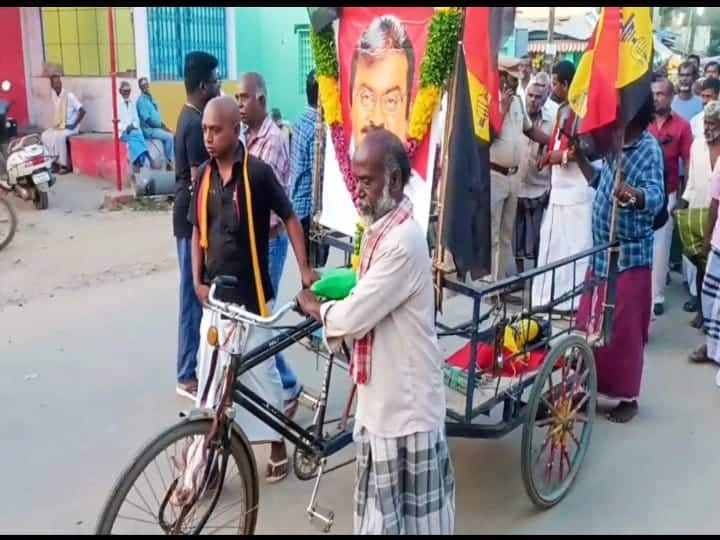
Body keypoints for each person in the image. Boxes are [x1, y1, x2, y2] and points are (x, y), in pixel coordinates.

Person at [296, 129, 455, 535]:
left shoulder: (402, 239)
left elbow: (356, 314)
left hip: (405, 408)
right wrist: (329, 286)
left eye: (367, 181)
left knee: (412, 523)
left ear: (395, 181)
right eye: (356, 180)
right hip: (384, 401)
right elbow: (364, 283)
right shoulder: (382, 229)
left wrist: (318, 307)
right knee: (382, 518)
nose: (358, 191)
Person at [189, 96, 316, 483]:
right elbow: (198, 230)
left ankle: (276, 444)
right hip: (215, 298)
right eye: (205, 130)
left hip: (253, 298)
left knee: (263, 376)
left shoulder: (257, 174)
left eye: (216, 130)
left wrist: (305, 271)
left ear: (235, 131)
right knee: (210, 379)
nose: (208, 138)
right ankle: (204, 459)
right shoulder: (205, 178)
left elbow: (291, 218)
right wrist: (196, 281)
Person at [574, 93, 665, 423]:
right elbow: (601, 183)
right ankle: (585, 387)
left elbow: (655, 196)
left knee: (623, 331)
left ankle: (627, 397)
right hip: (600, 255)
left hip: (629, 256)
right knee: (589, 324)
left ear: (634, 118)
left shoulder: (649, 149)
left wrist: (634, 194)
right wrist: (580, 160)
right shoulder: (613, 146)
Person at [235, 72, 303, 411]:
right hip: (254, 241)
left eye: (244, 98)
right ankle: (282, 381)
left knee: (262, 318)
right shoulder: (247, 137)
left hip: (271, 241)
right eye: (236, 98)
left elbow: (256, 199)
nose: (240, 105)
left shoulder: (272, 141)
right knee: (257, 317)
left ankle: (287, 384)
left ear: (260, 100)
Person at [173, 51, 221, 400]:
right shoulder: (193, 125)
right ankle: (188, 371)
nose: (220, 85)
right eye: (216, 80)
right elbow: (198, 181)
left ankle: (199, 367)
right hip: (191, 222)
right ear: (203, 85)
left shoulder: (190, 117)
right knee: (194, 293)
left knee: (197, 293)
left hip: (188, 220)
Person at [532, 60, 595, 312]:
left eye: (556, 83)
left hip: (577, 192)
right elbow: (556, 143)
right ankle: (546, 299)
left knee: (576, 248)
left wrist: (559, 157)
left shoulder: (585, 113)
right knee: (552, 248)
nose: (552, 88)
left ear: (568, 85)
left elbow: (586, 150)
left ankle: (574, 303)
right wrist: (549, 155)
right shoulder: (563, 110)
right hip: (558, 191)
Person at [489, 57, 549, 282]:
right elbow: (488, 136)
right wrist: (502, 107)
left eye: (516, 81)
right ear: (501, 77)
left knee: (505, 236)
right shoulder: (489, 99)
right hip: (493, 175)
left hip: (513, 177)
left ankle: (500, 285)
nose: (514, 85)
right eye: (511, 80)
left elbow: (530, 130)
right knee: (492, 236)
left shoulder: (518, 102)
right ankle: (488, 291)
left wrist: (553, 141)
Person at [649, 77, 692, 317]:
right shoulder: (642, 122)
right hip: (641, 192)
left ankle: (656, 295)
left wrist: (684, 197)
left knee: (661, 247)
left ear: (671, 97)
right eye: (654, 93)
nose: (656, 98)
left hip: (668, 192)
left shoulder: (682, 126)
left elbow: (688, 162)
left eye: (661, 94)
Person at [679, 101, 720, 331]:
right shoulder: (697, 146)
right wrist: (682, 206)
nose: (708, 128)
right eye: (706, 123)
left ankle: (713, 318)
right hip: (698, 210)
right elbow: (692, 181)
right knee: (700, 263)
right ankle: (703, 313)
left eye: (713, 124)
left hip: (718, 218)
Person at [513, 73, 554, 273]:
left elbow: (553, 147)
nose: (533, 100)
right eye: (530, 96)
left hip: (539, 187)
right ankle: (519, 278)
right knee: (516, 236)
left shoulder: (551, 121)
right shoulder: (515, 116)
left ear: (545, 98)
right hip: (517, 183)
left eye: (538, 97)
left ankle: (537, 277)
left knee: (536, 236)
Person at [290, 70, 328, 266]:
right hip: (310, 214)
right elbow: (318, 178)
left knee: (307, 270)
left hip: (297, 207)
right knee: (315, 273)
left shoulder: (300, 121)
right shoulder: (317, 129)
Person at [41, 74, 85, 175]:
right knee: (45, 135)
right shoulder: (54, 96)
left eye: (59, 82)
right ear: (52, 86)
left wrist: (74, 125)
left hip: (71, 127)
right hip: (61, 126)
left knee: (60, 137)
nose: (57, 85)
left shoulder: (69, 96)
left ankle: (64, 165)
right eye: (55, 83)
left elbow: (82, 111)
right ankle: (54, 162)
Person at [136, 77, 175, 171]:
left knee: (173, 133)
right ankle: (169, 162)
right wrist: (161, 127)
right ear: (140, 87)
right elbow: (147, 119)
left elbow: (156, 117)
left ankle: (172, 160)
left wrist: (165, 126)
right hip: (149, 130)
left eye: (146, 84)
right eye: (142, 85)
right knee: (169, 137)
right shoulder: (141, 101)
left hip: (156, 127)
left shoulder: (150, 97)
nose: (145, 86)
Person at [117, 81, 150, 173]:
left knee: (137, 135)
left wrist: (132, 126)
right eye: (125, 91)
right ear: (120, 91)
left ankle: (138, 162)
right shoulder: (117, 104)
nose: (127, 93)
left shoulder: (132, 103)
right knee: (136, 135)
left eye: (128, 91)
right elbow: (115, 122)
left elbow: (136, 120)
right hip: (122, 132)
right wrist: (125, 127)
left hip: (132, 131)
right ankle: (147, 156)